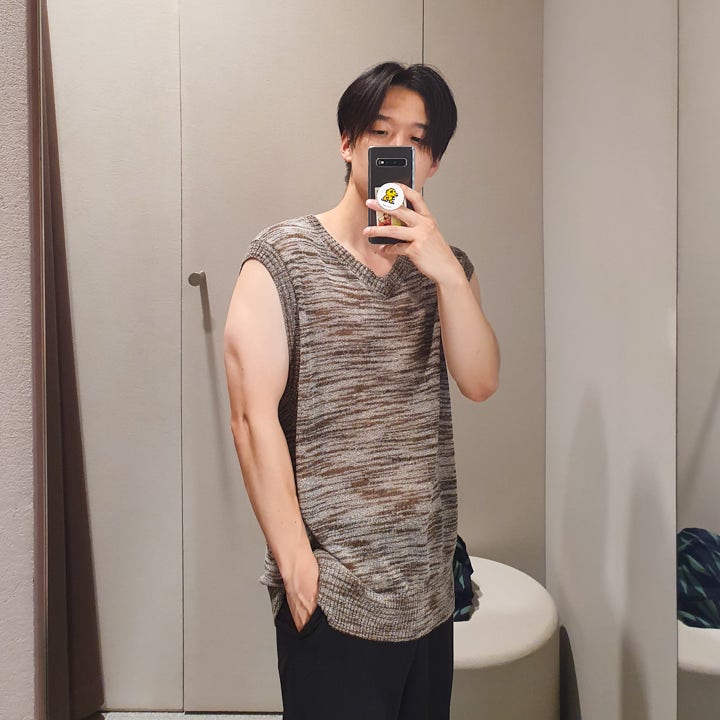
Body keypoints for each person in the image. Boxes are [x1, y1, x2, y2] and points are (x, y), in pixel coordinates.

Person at [224, 61, 500, 720]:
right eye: (380, 132)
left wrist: (445, 272)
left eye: (418, 139)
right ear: (347, 143)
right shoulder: (282, 258)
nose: (397, 149)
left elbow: (480, 381)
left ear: (433, 162)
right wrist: (297, 567)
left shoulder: (448, 270)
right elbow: (251, 419)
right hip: (334, 595)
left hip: (427, 593)